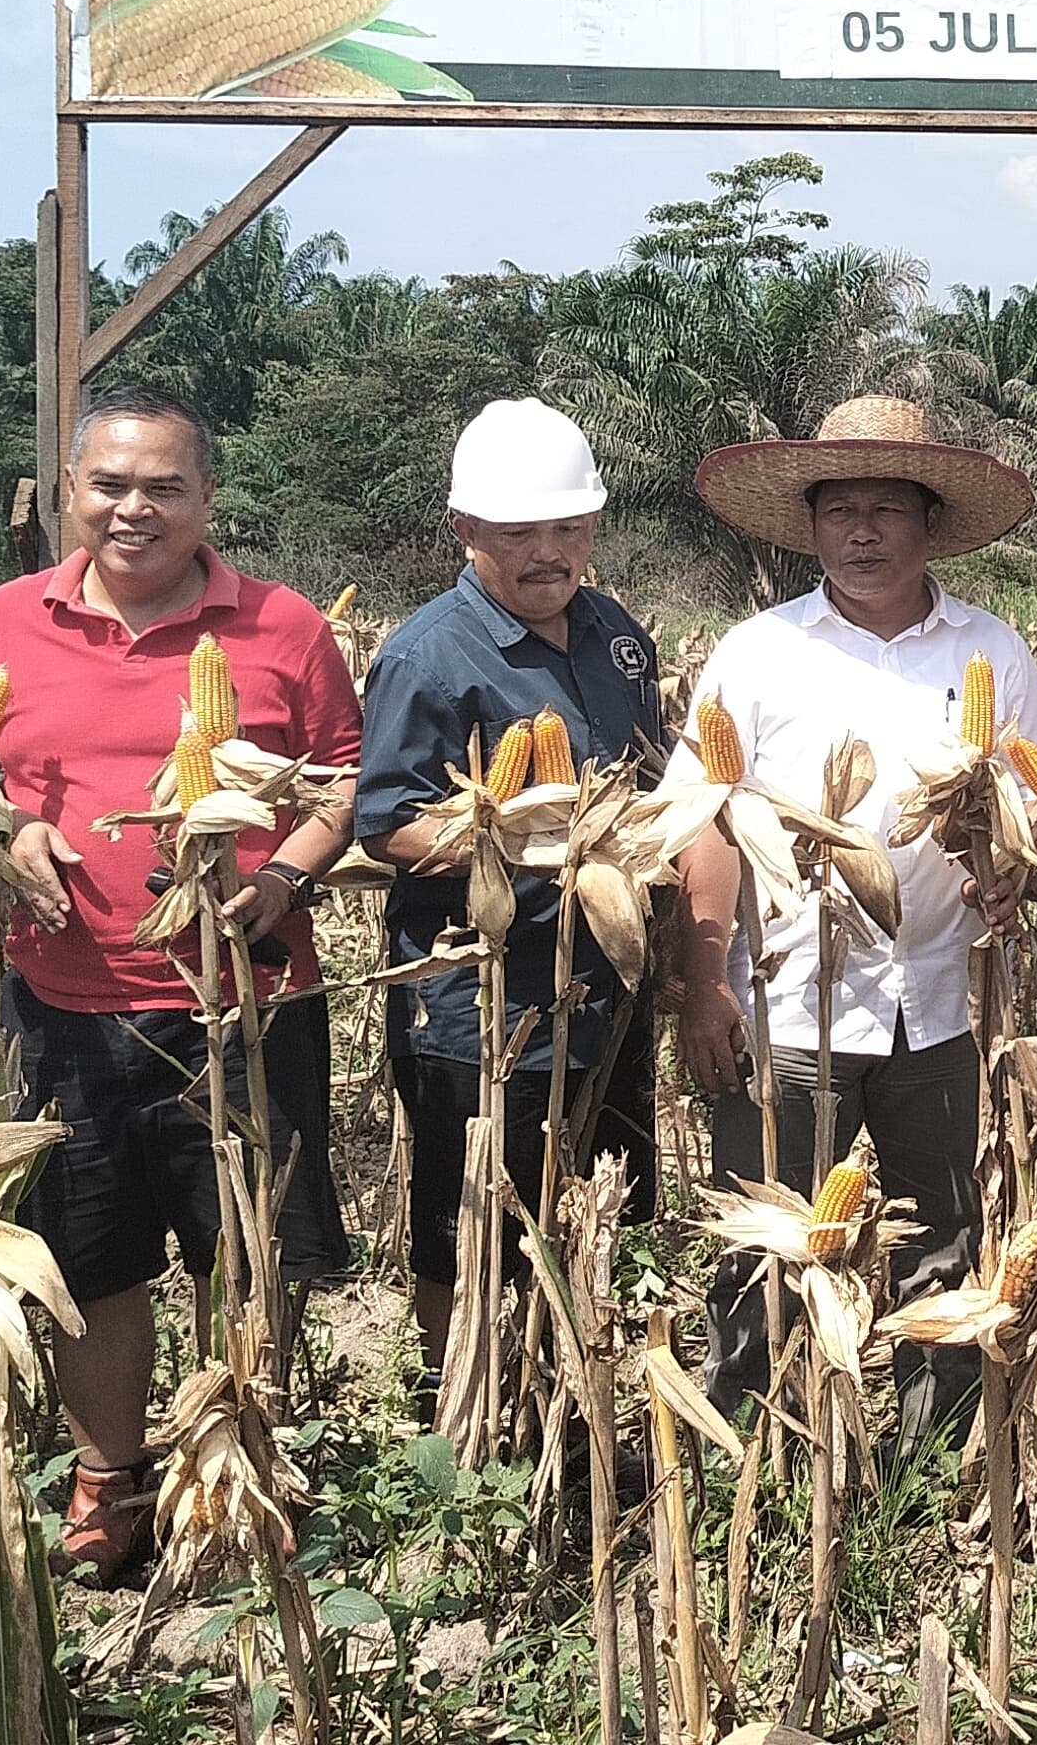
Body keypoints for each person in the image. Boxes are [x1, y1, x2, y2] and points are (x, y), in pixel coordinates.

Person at [0, 388, 363, 1584]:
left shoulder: (280, 626)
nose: (134, 509)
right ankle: (109, 1479)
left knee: (247, 1251)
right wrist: (12, 829)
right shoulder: (3, 621)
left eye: (163, 487)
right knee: (92, 1259)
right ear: (68, 492)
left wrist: (279, 876)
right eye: (110, 486)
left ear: (206, 500)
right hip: (62, 1004)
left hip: (244, 1006)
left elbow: (338, 784)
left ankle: (244, 1472)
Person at [676, 397, 1037, 1452]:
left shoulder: (991, 651)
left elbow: (1033, 811)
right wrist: (704, 979)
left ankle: (931, 1447)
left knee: (944, 1234)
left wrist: (1013, 875)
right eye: (840, 509)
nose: (863, 530)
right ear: (811, 528)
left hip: (942, 1001)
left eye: (888, 507)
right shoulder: (755, 654)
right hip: (787, 1002)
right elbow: (708, 818)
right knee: (770, 1240)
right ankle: (749, 1447)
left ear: (929, 523)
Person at [357, 399, 685, 1381]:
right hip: (481, 1004)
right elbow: (387, 822)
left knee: (590, 1205)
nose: (549, 553)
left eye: (570, 529)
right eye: (519, 533)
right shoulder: (427, 654)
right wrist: (525, 848)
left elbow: (650, 781)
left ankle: (566, 1411)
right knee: (472, 1224)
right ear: (465, 531)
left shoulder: (617, 636)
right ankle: (464, 1412)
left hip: (604, 989)